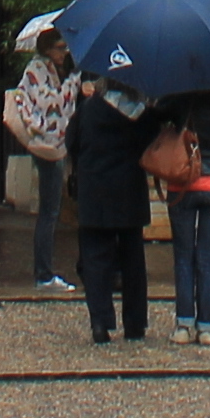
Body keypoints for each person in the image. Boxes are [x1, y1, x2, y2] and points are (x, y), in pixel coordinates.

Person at [66, 77, 165, 344]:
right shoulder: (143, 115)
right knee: (133, 260)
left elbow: (71, 143)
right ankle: (135, 324)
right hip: (129, 191)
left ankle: (100, 322)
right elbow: (152, 144)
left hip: (95, 191)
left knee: (96, 259)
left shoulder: (88, 109)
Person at [3, 20, 77, 296]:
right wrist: (74, 82)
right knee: (49, 211)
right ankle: (43, 273)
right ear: (48, 48)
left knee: (51, 210)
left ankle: (44, 272)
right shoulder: (38, 71)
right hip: (48, 145)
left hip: (52, 143)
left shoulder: (50, 70)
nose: (64, 52)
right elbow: (53, 104)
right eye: (60, 47)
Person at [159, 89, 210, 346]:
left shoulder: (181, 102)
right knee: (207, 259)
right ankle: (206, 328)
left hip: (184, 186)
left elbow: (159, 116)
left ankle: (184, 324)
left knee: (183, 256)